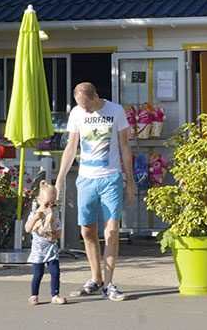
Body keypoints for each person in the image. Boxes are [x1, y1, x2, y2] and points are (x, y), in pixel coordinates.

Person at [55, 82, 135, 301]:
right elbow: (71, 148)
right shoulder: (76, 113)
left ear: (96, 96)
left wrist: (129, 181)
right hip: (86, 179)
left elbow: (125, 146)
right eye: (81, 106)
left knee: (111, 231)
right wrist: (59, 181)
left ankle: (109, 284)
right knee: (87, 231)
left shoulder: (115, 111)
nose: (85, 110)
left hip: (111, 177)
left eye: (88, 106)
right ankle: (96, 278)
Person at [24, 182, 66, 305]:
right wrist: (36, 218)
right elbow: (27, 229)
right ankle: (34, 295)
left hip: (51, 249)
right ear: (39, 200)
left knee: (55, 272)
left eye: (52, 204)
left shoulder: (54, 215)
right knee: (38, 273)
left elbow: (59, 230)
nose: (49, 207)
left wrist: (55, 236)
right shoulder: (34, 214)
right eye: (46, 204)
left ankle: (55, 294)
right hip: (38, 250)